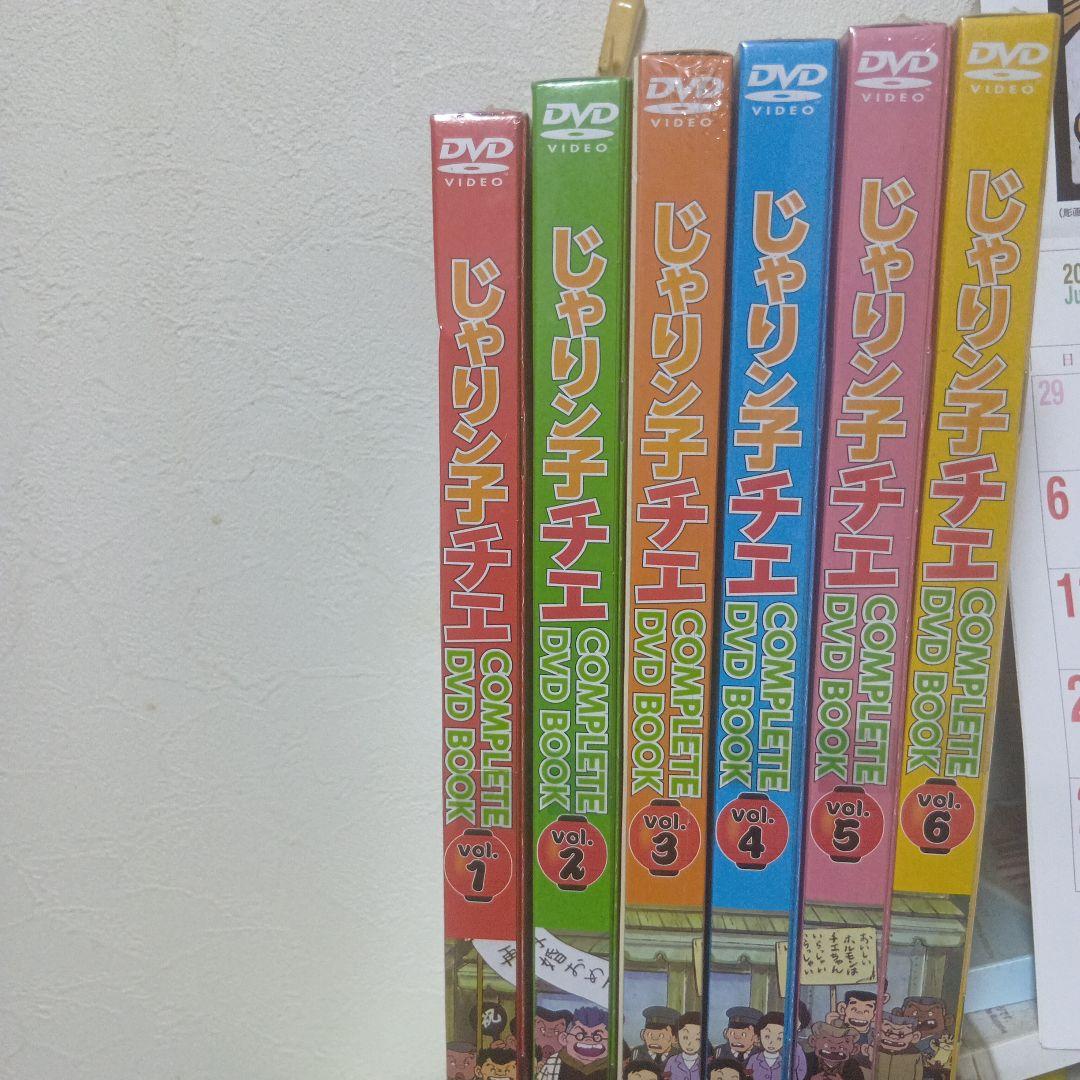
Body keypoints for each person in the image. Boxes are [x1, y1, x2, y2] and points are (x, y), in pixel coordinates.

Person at [536, 1005, 610, 1079]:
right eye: (580, 1035)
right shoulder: (554, 1062)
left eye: (597, 1037)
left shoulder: (612, 1065)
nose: (588, 1040)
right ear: (564, 1038)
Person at [746, 1012, 807, 1080]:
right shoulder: (754, 1059)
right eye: (767, 1036)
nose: (772, 1042)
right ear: (759, 1035)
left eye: (779, 1038)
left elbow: (799, 1073)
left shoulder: (786, 1062)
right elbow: (747, 1076)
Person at [874, 1012, 924, 1080]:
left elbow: (918, 1075)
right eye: (888, 1033)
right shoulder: (876, 1050)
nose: (894, 1037)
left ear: (915, 1037)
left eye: (901, 1035)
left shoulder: (915, 1055)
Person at [663, 1012, 703, 1080]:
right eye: (685, 1037)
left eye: (697, 1039)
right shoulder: (672, 1061)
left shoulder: (704, 1062)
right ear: (677, 1037)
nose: (690, 1043)